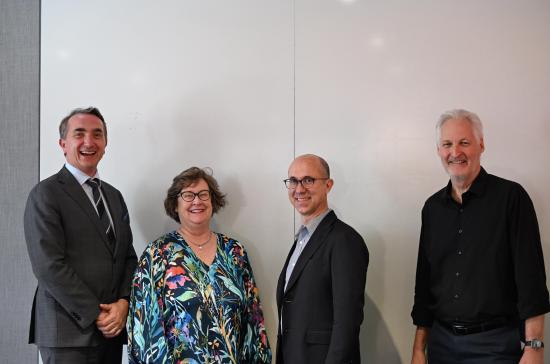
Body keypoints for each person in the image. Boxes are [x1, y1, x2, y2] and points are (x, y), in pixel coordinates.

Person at [411, 109, 550, 364]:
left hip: (495, 345)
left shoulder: (511, 198)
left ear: (481, 144)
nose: (455, 152)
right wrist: (419, 349)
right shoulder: (432, 209)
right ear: (438, 151)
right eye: (447, 144)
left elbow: (531, 279)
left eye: (464, 142)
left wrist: (534, 347)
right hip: (441, 345)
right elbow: (424, 284)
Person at [24, 107, 138, 363]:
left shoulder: (114, 196)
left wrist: (123, 304)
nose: (89, 142)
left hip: (112, 331)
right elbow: (48, 265)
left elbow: (128, 258)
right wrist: (96, 315)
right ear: (63, 144)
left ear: (105, 144)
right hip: (68, 332)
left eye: (97, 134)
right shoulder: (46, 194)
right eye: (80, 134)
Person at [127, 166, 271, 363]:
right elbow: (144, 328)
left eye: (204, 194)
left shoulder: (234, 252)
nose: (197, 201)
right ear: (175, 205)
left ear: (213, 201)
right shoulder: (158, 254)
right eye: (188, 195)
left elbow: (254, 323)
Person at [276, 154, 369, 364]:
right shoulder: (301, 240)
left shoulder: (345, 241)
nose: (299, 189)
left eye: (308, 180)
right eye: (293, 181)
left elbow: (347, 323)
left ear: (328, 185)